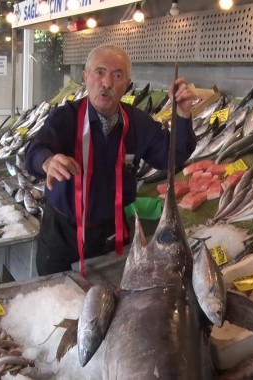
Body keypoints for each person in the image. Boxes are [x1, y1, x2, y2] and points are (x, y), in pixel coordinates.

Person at [25, 44, 197, 276]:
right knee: (58, 304)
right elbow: (35, 149)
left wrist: (183, 114)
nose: (106, 83)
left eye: (117, 75)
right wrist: (47, 161)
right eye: (99, 72)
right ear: (86, 77)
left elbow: (171, 155)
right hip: (62, 235)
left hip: (112, 234)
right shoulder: (66, 117)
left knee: (114, 302)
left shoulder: (138, 122)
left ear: (126, 84)